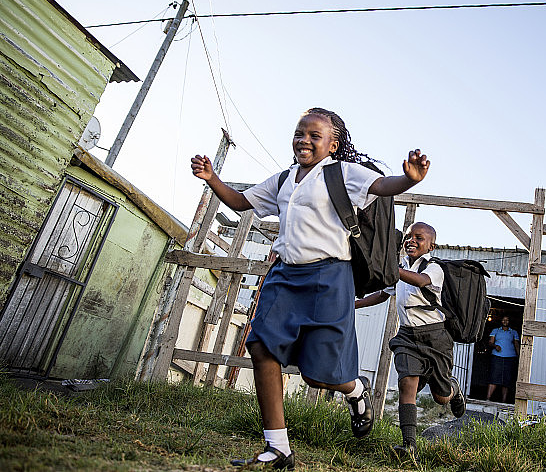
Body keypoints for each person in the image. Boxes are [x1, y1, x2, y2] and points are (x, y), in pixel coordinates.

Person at [191, 107, 430, 470]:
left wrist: (408, 180)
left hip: (329, 278)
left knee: (318, 374)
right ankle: (277, 447)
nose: (303, 140)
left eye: (314, 135)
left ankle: (355, 389)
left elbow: (381, 187)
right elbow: (242, 202)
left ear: (332, 144)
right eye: (299, 133)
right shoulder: (284, 179)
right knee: (260, 346)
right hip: (285, 275)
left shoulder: (343, 173)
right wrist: (212, 178)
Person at [355, 222, 466, 457]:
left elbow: (419, 281)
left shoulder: (435, 267)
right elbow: (383, 295)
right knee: (407, 384)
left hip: (435, 337)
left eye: (419, 237)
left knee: (441, 397)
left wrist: (391, 268)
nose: (411, 240)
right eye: (408, 237)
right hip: (407, 335)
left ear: (431, 246)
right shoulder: (402, 266)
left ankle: (453, 389)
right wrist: (353, 304)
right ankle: (409, 444)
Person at [486, 316, 520, 403]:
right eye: (503, 319)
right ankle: (488, 398)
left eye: (507, 320)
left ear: (509, 321)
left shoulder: (513, 332)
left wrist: (519, 356)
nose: (505, 321)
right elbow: (490, 342)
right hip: (497, 356)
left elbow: (516, 344)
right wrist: (495, 346)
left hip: (510, 357)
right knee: (494, 377)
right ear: (501, 321)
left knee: (506, 380)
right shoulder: (496, 330)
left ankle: (504, 401)